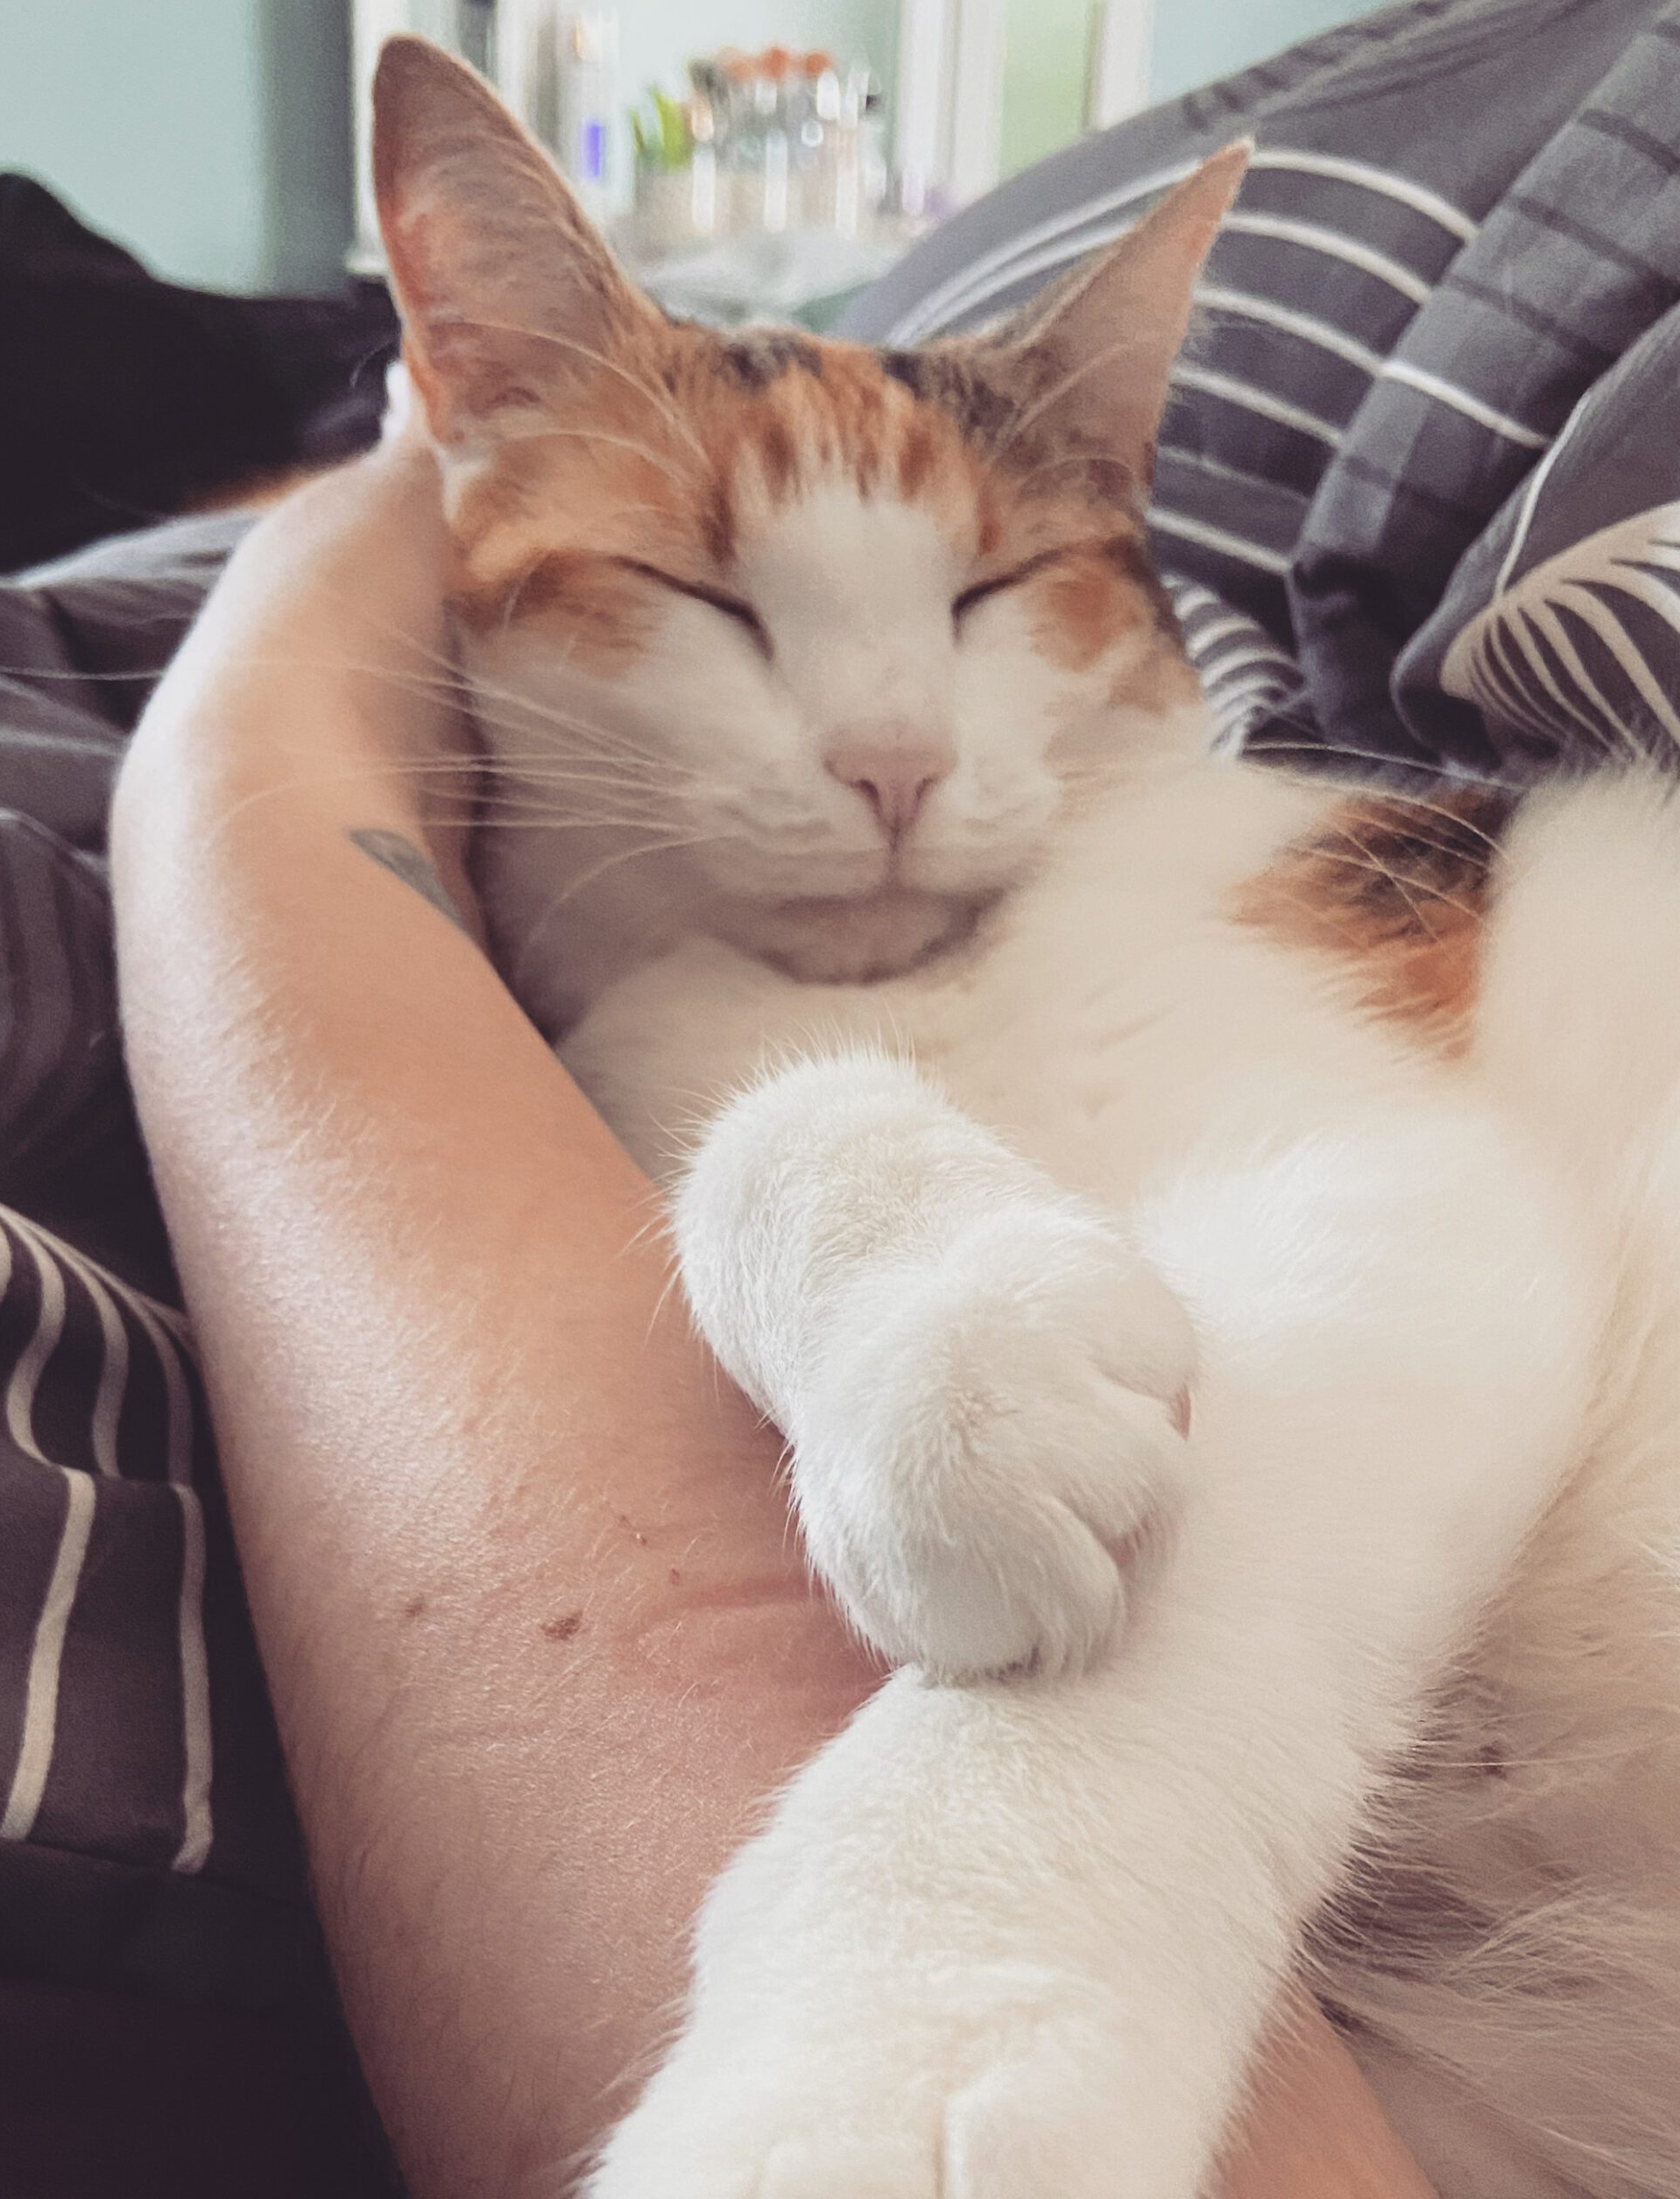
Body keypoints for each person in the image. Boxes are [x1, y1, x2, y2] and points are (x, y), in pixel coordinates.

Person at [108, 435, 1438, 2199]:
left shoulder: (1179, 857)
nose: (891, 753)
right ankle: (284, 653)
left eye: (990, 598)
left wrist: (986, 1922)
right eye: (713, 602)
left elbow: (1413, 1245)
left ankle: (258, 701)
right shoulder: (654, 1037)